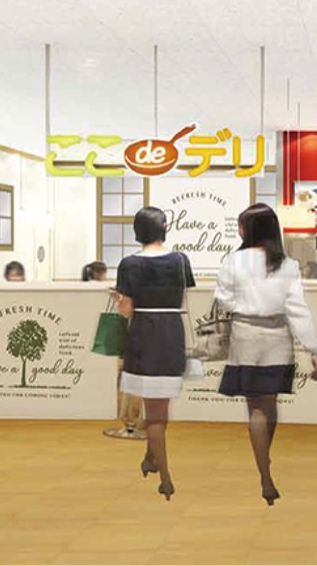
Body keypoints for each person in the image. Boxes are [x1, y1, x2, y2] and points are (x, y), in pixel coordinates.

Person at [215, 204, 317, 506]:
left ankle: (264, 471)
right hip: (278, 338)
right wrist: (314, 349)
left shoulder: (233, 261)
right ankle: (265, 460)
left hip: (245, 337)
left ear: (247, 230)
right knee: (270, 405)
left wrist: (242, 305)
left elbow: (222, 301)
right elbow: (297, 309)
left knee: (256, 410)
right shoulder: (287, 265)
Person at [113, 207, 195, 502]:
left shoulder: (128, 264)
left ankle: (166, 478)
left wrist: (119, 300)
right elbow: (181, 298)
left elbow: (127, 310)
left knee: (155, 412)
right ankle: (150, 459)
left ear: (137, 231)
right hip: (171, 332)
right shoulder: (180, 260)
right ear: (164, 228)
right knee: (161, 405)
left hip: (144, 334)